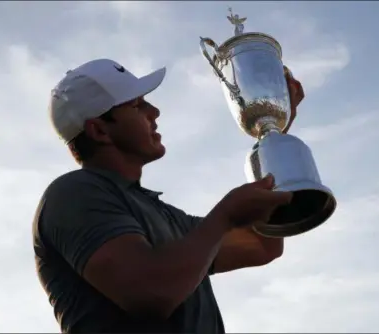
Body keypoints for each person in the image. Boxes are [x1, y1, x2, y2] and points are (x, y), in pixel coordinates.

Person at [33, 58, 305, 333]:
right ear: (99, 130)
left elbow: (263, 244)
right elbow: (150, 292)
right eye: (138, 105)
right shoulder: (73, 194)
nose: (155, 111)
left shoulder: (165, 215)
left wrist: (272, 134)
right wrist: (224, 216)